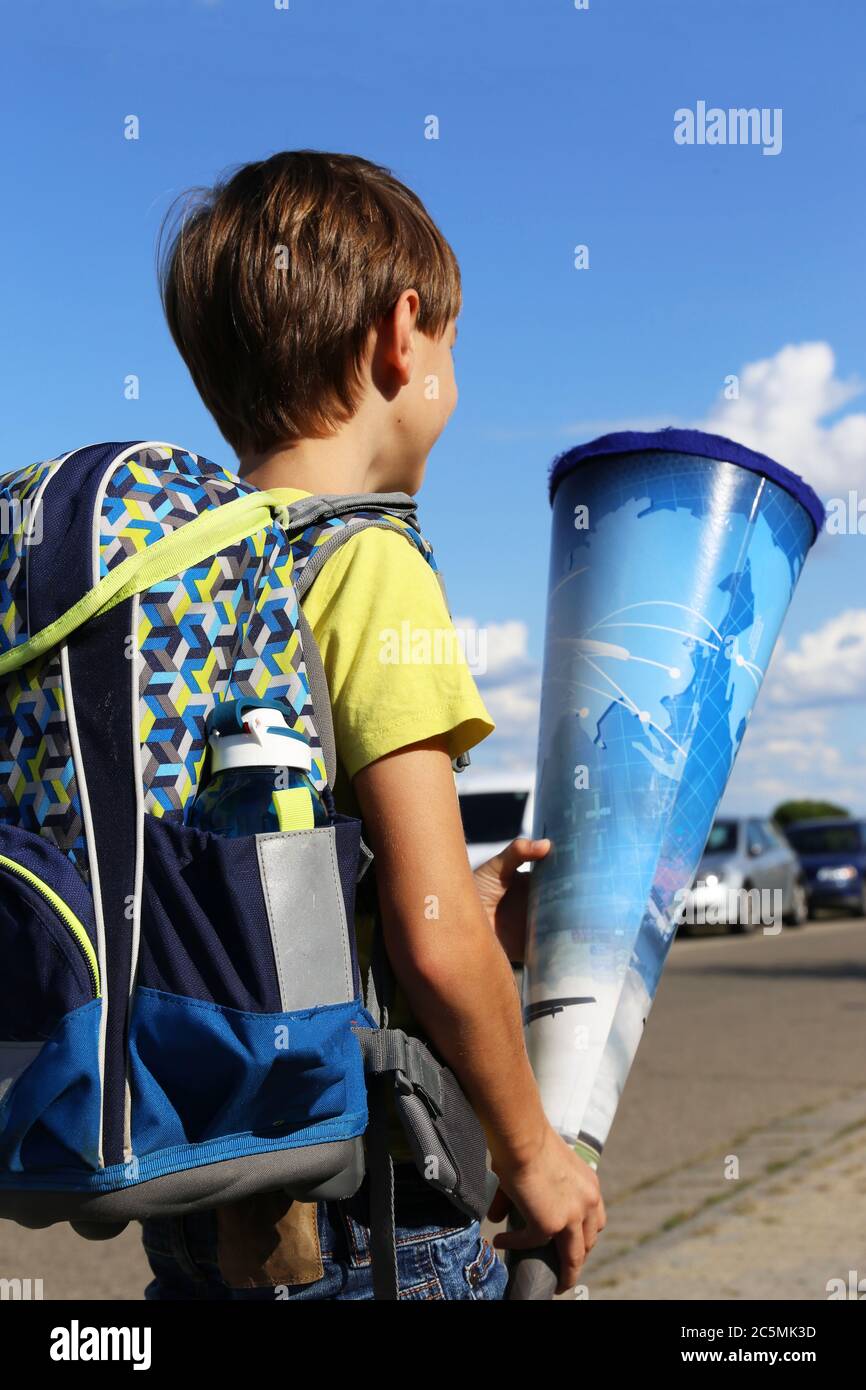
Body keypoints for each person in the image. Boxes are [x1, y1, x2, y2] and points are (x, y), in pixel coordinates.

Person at [142, 150, 604, 1300]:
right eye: (452, 342)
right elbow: (437, 942)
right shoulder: (370, 566)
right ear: (404, 334)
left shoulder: (188, 589)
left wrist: (454, 894)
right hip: (370, 1221)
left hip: (200, 1207)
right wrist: (533, 1153)